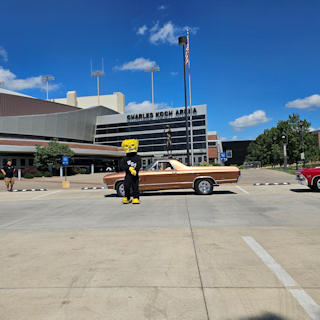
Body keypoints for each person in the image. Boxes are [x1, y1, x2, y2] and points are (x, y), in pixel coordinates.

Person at [120, 139, 141, 204]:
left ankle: (136, 198)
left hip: (135, 175)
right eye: (127, 146)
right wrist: (129, 168)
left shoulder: (137, 157)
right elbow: (122, 166)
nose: (129, 147)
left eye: (132, 145)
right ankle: (127, 197)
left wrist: (135, 170)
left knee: (135, 187)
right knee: (126, 186)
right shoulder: (125, 158)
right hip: (128, 175)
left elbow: (139, 165)